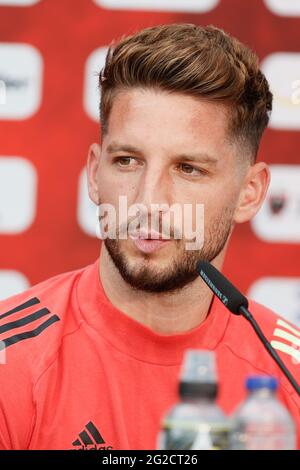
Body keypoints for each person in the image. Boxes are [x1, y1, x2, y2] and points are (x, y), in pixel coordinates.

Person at [0, 23, 299, 450]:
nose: (148, 199)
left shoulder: (289, 377)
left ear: (249, 194)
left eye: (188, 168)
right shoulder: (10, 362)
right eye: (127, 161)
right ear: (93, 173)